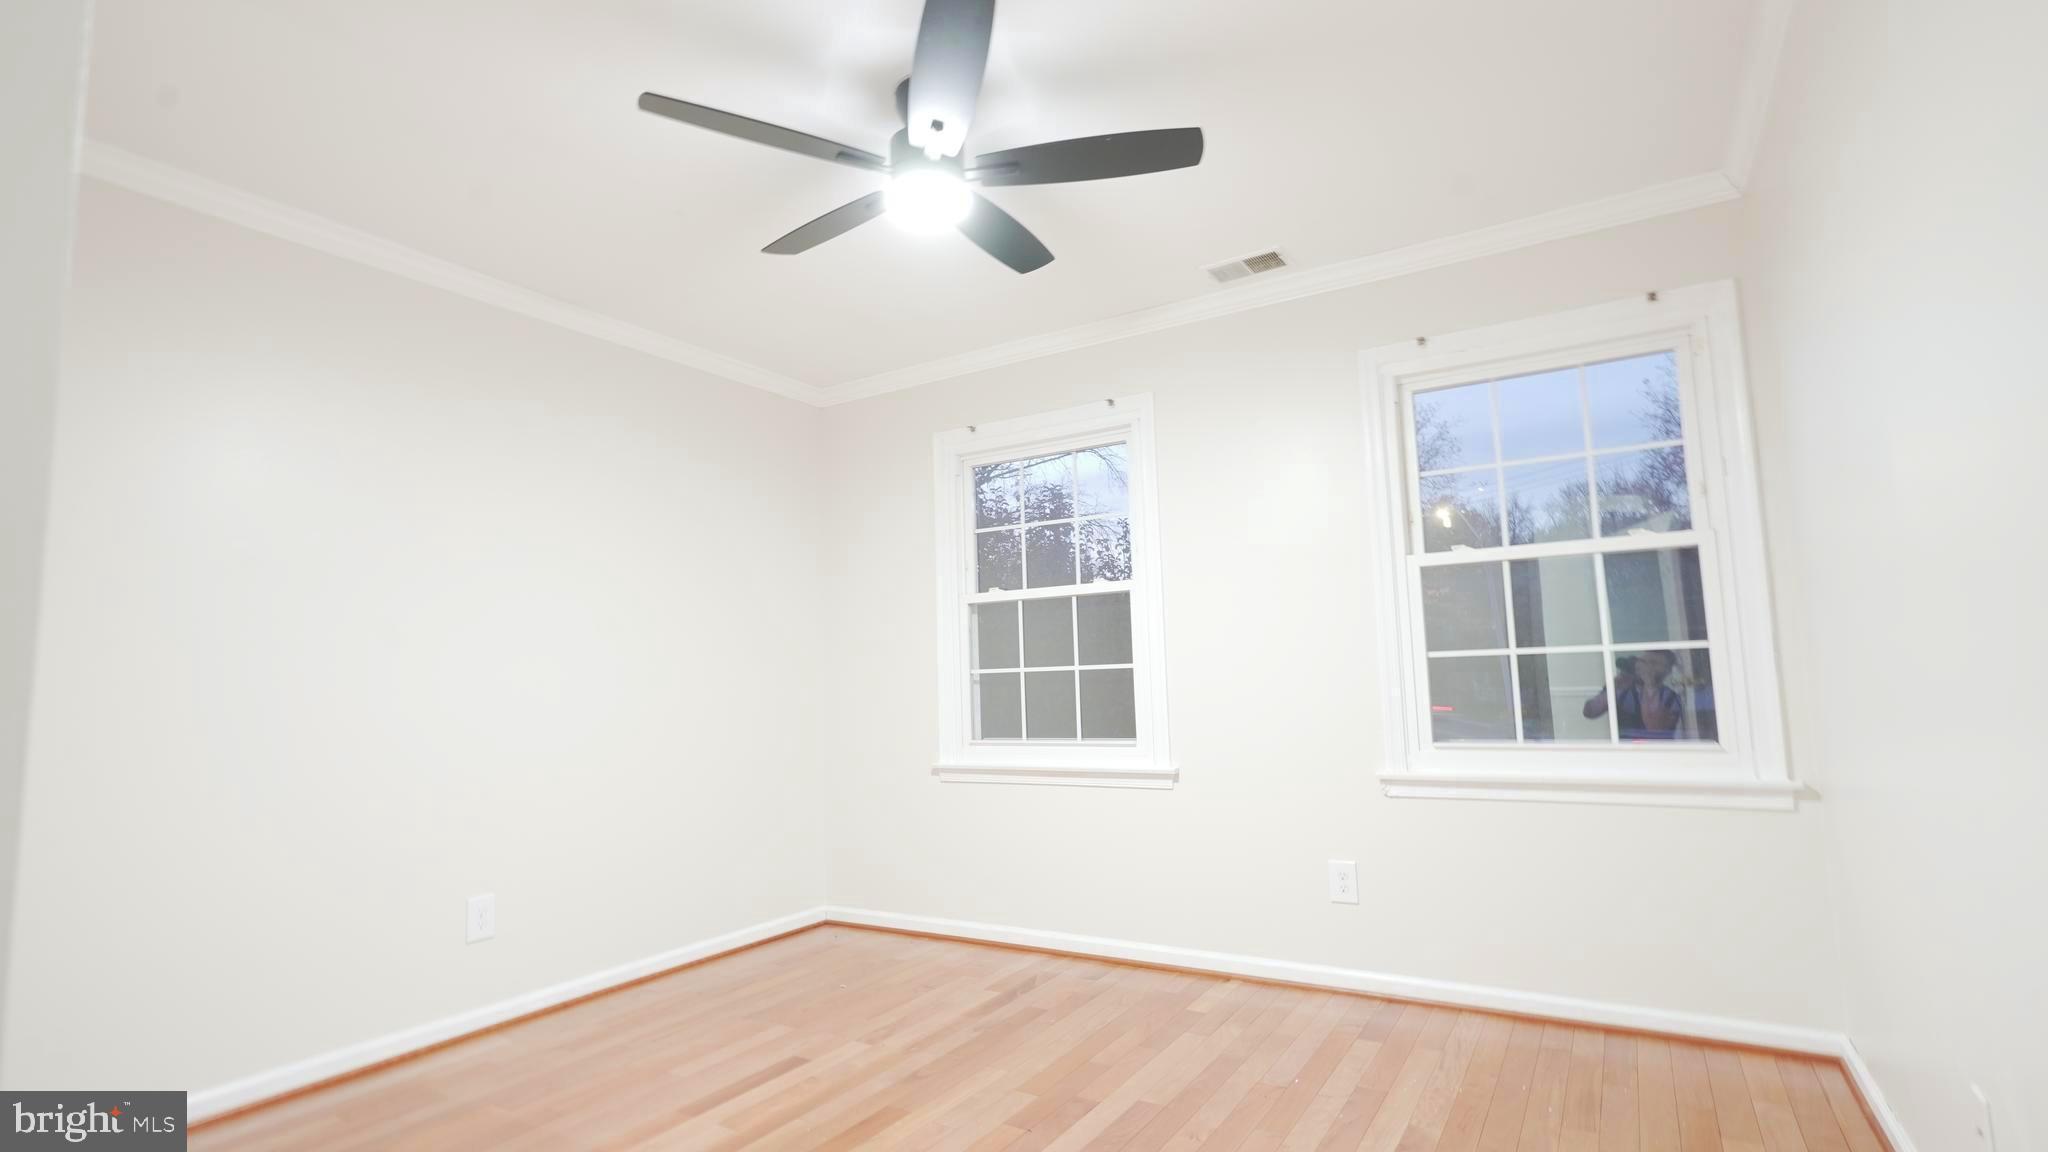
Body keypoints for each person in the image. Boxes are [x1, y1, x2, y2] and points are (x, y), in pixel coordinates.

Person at [1583, 651, 1683, 740]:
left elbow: (1654, 728)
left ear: (1667, 671)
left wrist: (1649, 684)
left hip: (1658, 755)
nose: (1647, 667)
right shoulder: (1623, 690)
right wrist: (1613, 688)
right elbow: (1590, 712)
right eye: (1643, 661)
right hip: (1624, 753)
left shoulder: (1671, 698)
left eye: (1654, 663)